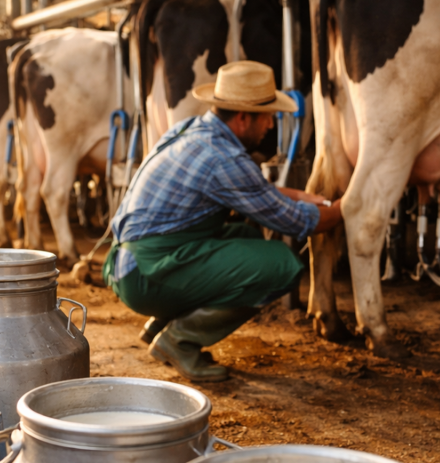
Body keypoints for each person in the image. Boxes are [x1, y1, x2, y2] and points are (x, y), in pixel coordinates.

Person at [103, 61, 342, 381]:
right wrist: (348, 206)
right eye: (267, 116)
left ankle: (161, 325)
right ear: (243, 118)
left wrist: (301, 194)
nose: (271, 125)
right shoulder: (223, 158)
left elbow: (256, 191)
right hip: (145, 276)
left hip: (130, 263)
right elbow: (298, 223)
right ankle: (180, 340)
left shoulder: (190, 129)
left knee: (246, 235)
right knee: (280, 265)